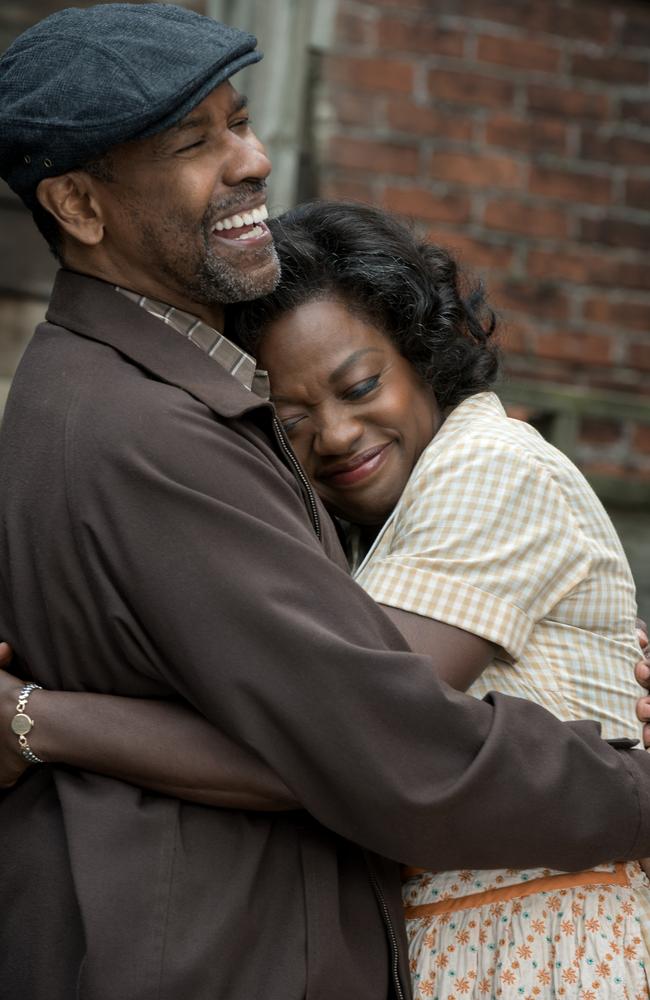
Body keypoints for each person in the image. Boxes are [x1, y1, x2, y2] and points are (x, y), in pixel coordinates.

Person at [2, 6, 650, 1000]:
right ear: (79, 206)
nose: (251, 160)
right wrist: (630, 785)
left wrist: (39, 720)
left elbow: (337, 734)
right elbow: (374, 748)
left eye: (242, 121)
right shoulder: (150, 430)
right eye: (195, 142)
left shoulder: (98, 397)